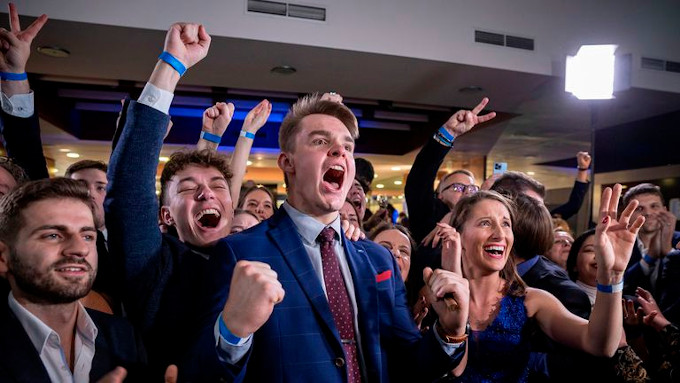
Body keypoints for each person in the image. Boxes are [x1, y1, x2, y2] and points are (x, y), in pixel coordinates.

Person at [202, 92, 469, 382]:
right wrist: (234, 332)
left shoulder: (379, 260)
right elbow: (204, 371)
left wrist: (449, 332)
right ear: (287, 162)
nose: (339, 151)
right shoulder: (239, 252)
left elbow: (409, 365)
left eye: (347, 146)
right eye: (320, 141)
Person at [104, 21, 236, 379]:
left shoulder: (259, 253)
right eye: (188, 188)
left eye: (217, 186)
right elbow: (128, 188)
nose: (206, 192)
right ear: (165, 216)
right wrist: (172, 65)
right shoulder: (155, 264)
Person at [432, 185, 643, 381]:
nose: (500, 234)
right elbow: (450, 369)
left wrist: (612, 276)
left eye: (506, 224)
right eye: (485, 223)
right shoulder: (435, 291)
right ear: (459, 235)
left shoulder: (532, 300)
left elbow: (600, 345)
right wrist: (454, 277)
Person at [0, 178, 142, 381]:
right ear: (3, 258)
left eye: (87, 236)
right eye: (53, 235)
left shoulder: (123, 336)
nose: (79, 249)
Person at [405, 98, 494, 243]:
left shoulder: (483, 225)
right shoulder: (430, 215)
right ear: (440, 195)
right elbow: (421, 176)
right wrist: (449, 132)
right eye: (458, 187)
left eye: (472, 188)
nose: (466, 192)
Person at [622, 183, 680, 297]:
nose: (648, 213)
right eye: (639, 208)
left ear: (665, 210)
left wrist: (668, 251)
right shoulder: (619, 245)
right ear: (628, 215)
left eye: (654, 206)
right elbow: (621, 286)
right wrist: (649, 258)